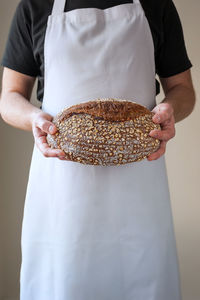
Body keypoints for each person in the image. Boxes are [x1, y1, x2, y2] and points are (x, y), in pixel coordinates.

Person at [0, 0, 196, 299]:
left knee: (142, 281)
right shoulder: (35, 6)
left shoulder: (156, 5)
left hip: (139, 185)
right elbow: (9, 97)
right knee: (63, 283)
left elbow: (183, 89)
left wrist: (170, 109)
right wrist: (33, 117)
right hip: (62, 185)